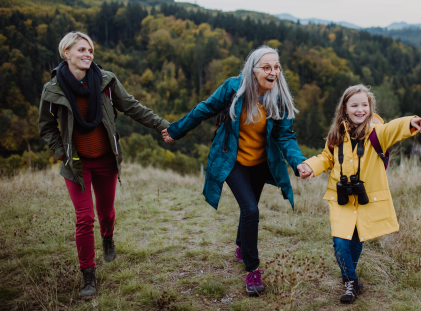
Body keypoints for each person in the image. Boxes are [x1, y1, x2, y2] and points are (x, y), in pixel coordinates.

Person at [162, 46, 307, 295]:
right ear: (253, 70)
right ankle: (252, 270)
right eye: (267, 67)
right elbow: (205, 109)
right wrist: (177, 130)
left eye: (276, 67)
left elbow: (286, 137)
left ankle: (241, 245)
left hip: (262, 163)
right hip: (233, 160)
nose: (273, 72)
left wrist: (299, 162)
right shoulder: (233, 88)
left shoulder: (279, 98)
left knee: (248, 209)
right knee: (251, 209)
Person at [38, 32, 170, 299]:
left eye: (91, 51)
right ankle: (88, 275)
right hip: (76, 165)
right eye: (82, 50)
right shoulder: (53, 89)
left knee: (106, 212)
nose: (88, 54)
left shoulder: (106, 81)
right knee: (84, 218)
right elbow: (46, 126)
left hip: (106, 160)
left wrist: (162, 125)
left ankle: (108, 237)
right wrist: (60, 153)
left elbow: (132, 106)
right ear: (67, 53)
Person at [298, 84, 421, 304]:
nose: (360, 110)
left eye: (364, 105)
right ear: (344, 108)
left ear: (370, 107)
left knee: (357, 240)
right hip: (341, 198)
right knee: (340, 242)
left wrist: (410, 123)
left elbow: (394, 128)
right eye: (354, 105)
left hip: (365, 198)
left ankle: (350, 282)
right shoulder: (336, 135)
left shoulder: (377, 134)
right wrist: (310, 166)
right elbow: (326, 158)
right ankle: (351, 281)